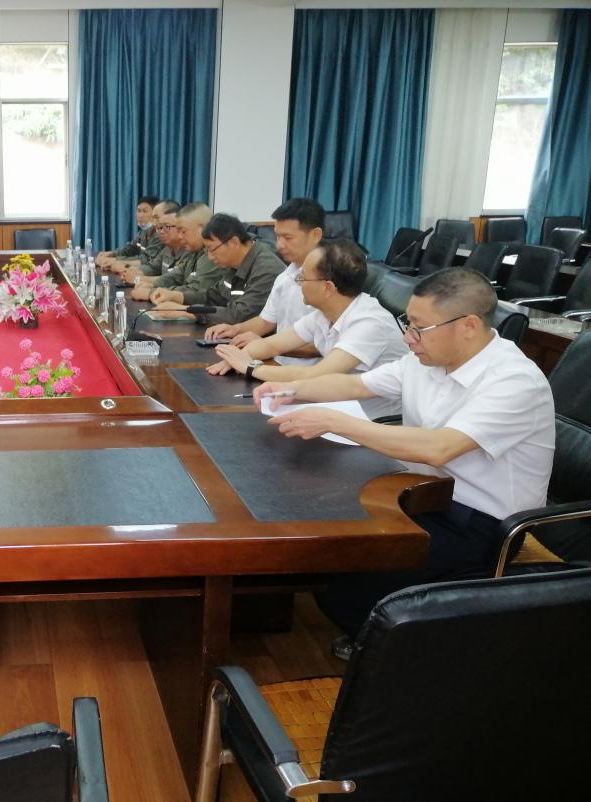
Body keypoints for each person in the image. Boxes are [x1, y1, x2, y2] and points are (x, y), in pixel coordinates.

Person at [254, 268, 554, 651]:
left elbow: (439, 448)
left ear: (468, 326)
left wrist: (334, 421)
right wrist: (291, 389)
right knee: (322, 530)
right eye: (408, 323)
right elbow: (356, 383)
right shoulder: (427, 358)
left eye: (419, 327)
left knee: (346, 579)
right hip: (420, 494)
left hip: (481, 524)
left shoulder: (514, 380)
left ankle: (393, 652)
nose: (408, 337)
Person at [207, 239, 406, 418]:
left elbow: (317, 375)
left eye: (303, 277)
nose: (299, 283)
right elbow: (271, 345)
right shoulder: (323, 314)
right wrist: (238, 358)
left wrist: (250, 367)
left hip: (375, 421)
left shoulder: (369, 322)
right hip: (339, 409)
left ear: (328, 288)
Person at [205, 198, 326, 364]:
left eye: (288, 238)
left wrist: (268, 344)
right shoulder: (285, 276)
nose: (279, 245)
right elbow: (266, 321)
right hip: (277, 365)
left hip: (312, 374)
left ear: (315, 235)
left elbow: (326, 345)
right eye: (278, 237)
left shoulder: (330, 281)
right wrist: (234, 329)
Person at [151, 213, 284, 325]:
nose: (209, 257)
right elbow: (215, 296)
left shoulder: (267, 269)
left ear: (233, 242)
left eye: (212, 249)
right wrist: (177, 296)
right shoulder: (234, 263)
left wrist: (186, 311)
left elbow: (238, 315)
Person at [95, 194, 160, 270]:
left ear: (155, 215)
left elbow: (145, 259)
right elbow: (129, 249)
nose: (140, 215)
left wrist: (114, 260)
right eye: (138, 211)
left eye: (145, 211)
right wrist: (109, 254)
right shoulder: (142, 233)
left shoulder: (160, 235)